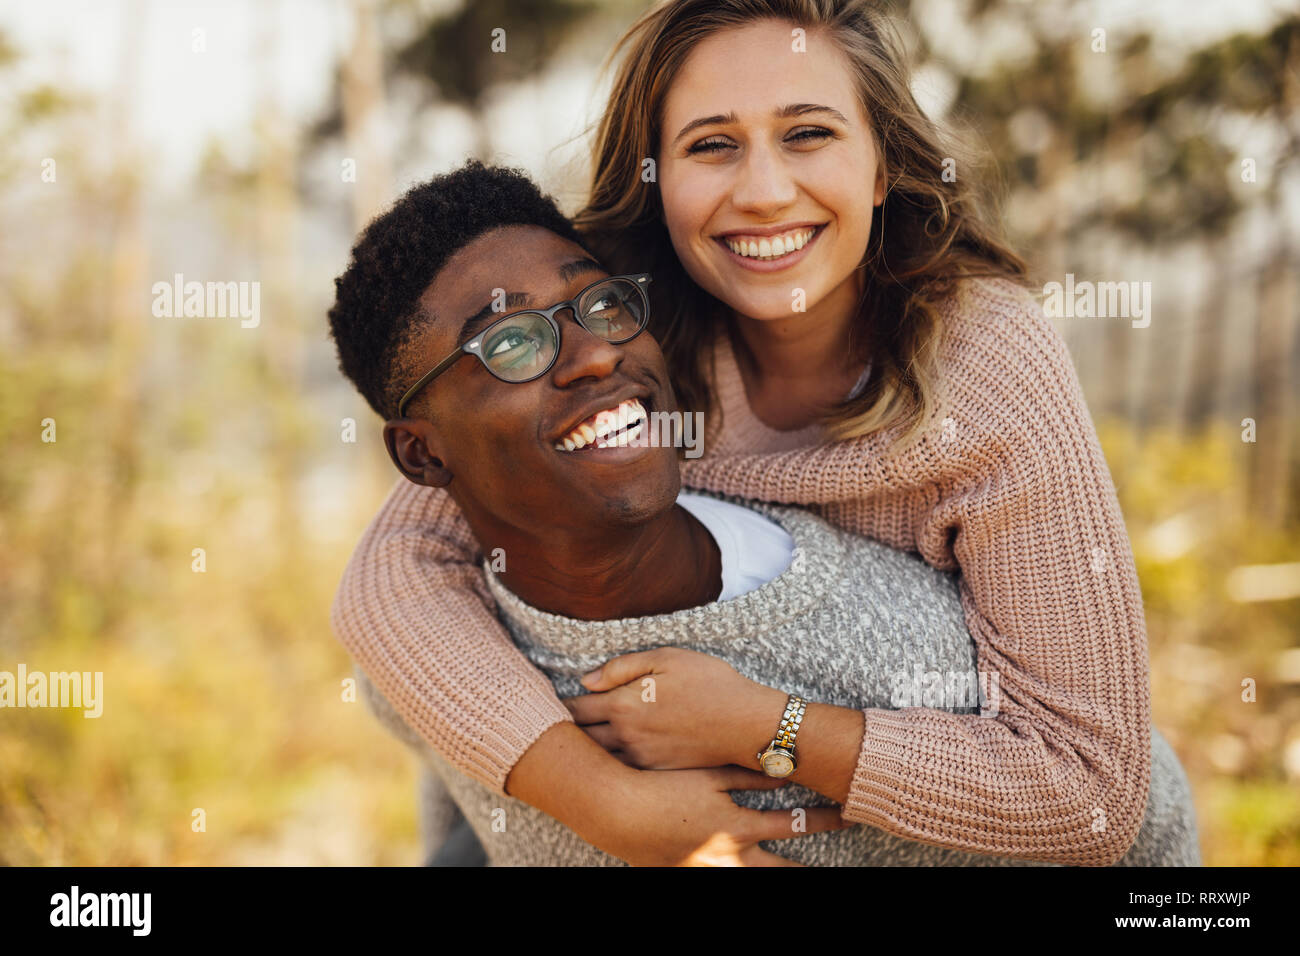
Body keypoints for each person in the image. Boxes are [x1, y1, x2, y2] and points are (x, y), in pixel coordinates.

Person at [332, 0, 1160, 864]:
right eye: (713, 145)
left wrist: (768, 725)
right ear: (658, 180)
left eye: (808, 134)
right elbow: (396, 572)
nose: (764, 193)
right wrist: (602, 799)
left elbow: (1087, 791)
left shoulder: (985, 358)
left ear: (882, 167)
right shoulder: (626, 331)